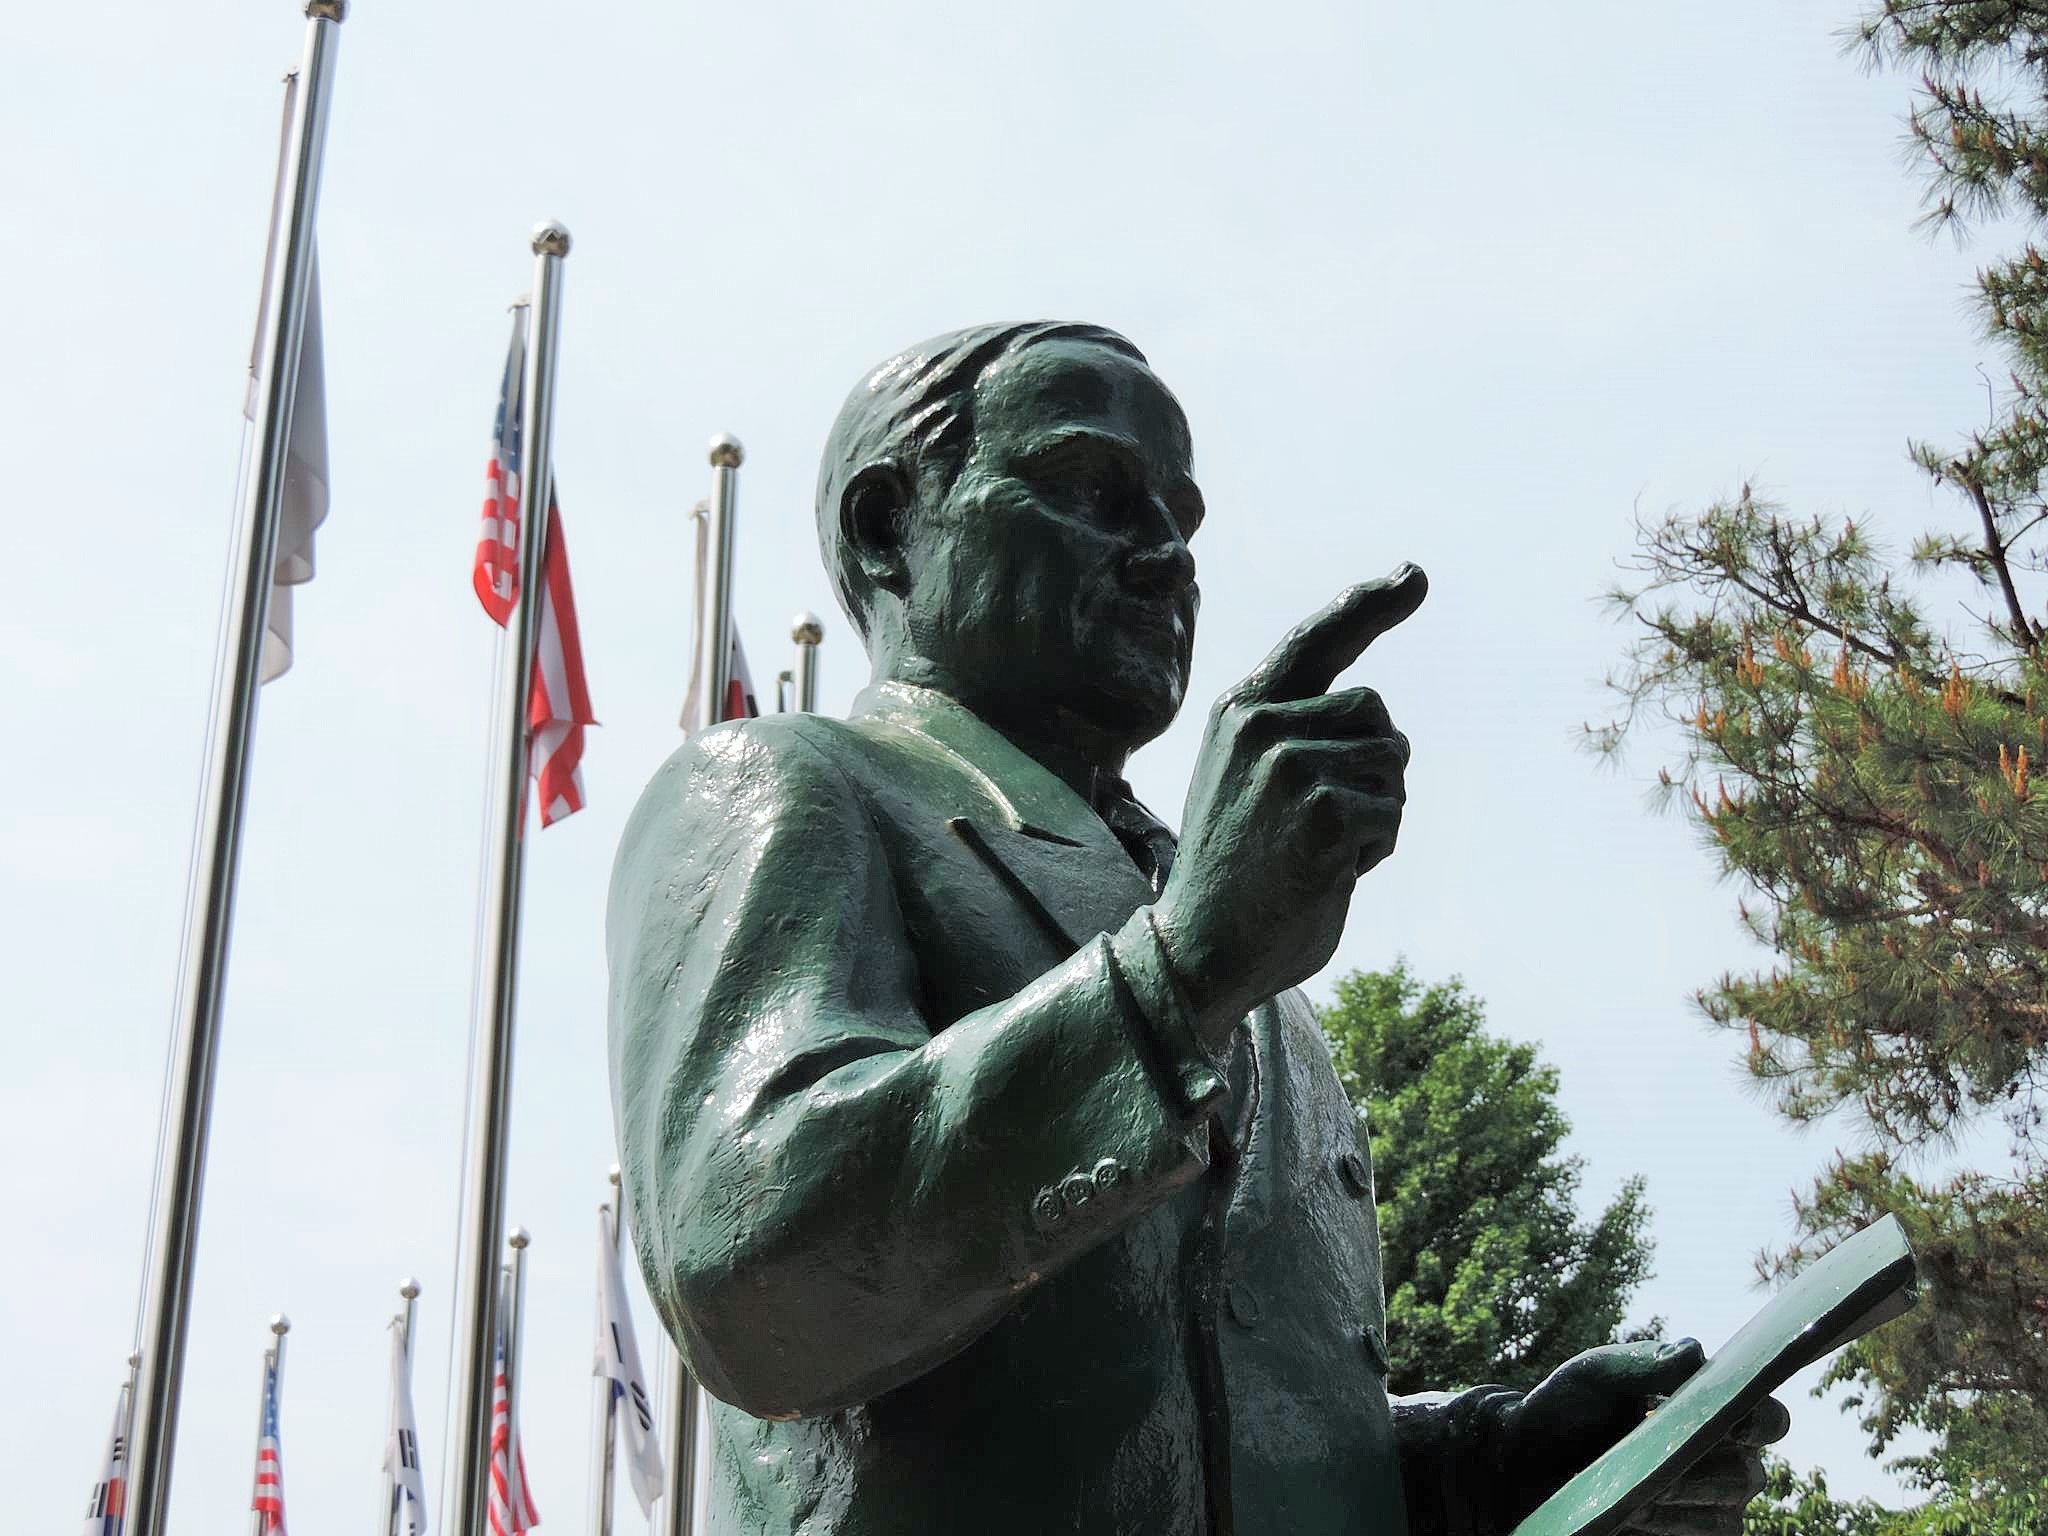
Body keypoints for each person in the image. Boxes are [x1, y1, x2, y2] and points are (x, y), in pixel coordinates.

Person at [607, 322, 1785, 1535]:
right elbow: (749, 1279)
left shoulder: (1215, 918)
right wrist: (1178, 973)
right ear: (884, 526)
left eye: (1181, 516)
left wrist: (1486, 1464)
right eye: (1089, 489)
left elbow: (1227, 1419)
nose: (1166, 554)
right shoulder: (784, 787)